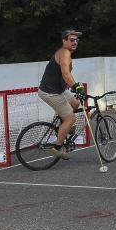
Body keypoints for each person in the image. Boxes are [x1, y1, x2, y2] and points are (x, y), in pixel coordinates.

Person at [37, 27, 85, 159]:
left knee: (75, 104)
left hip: (60, 90)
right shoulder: (64, 53)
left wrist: (75, 87)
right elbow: (65, 73)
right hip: (50, 93)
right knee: (71, 118)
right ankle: (56, 148)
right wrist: (77, 88)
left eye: (77, 40)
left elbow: (67, 75)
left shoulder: (67, 53)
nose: (75, 42)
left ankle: (64, 128)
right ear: (64, 41)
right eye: (71, 40)